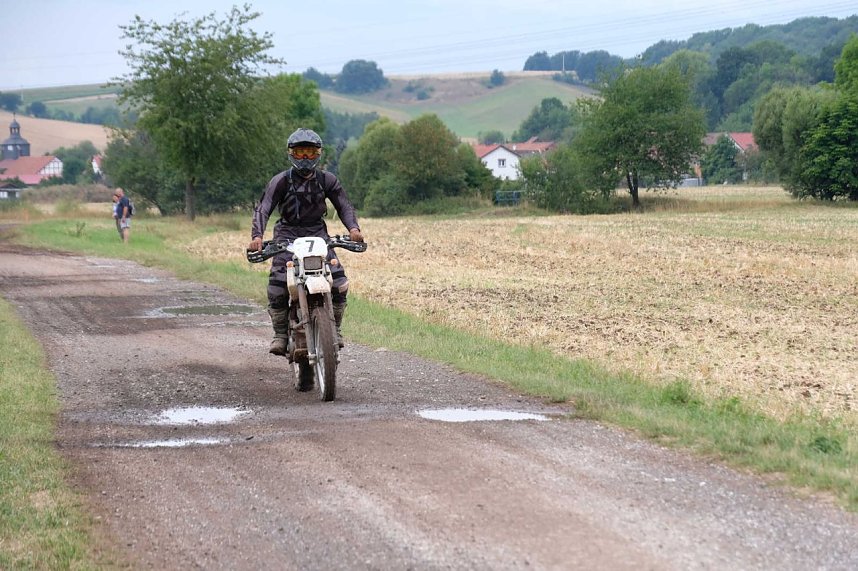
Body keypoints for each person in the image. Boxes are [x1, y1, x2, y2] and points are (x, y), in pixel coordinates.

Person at [248, 128, 363, 358]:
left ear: (318, 153)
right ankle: (280, 334)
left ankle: (335, 330)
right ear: (291, 153)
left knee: (339, 282)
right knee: (278, 283)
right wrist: (257, 236)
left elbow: (344, 205)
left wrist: (354, 229)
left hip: (318, 234)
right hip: (286, 235)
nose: (305, 158)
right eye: (300, 152)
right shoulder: (280, 181)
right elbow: (264, 207)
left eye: (310, 152)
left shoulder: (327, 180)